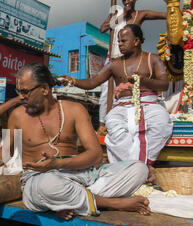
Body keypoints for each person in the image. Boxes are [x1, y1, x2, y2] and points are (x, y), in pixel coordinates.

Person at [9, 62, 151, 221]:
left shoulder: (75, 110)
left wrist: (57, 164)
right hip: (40, 178)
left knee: (139, 169)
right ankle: (112, 203)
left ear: (44, 89)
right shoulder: (17, 115)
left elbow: (95, 155)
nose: (20, 97)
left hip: (81, 175)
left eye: (25, 91)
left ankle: (69, 202)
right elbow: (2, 155)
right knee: (47, 186)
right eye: (18, 91)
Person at [61, 25, 173, 171]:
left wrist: (143, 81)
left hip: (149, 104)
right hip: (122, 107)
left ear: (136, 41)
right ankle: (134, 169)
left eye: (123, 41)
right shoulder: (115, 64)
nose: (119, 44)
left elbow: (164, 84)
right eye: (118, 41)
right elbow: (93, 82)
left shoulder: (153, 59)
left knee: (162, 124)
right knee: (113, 126)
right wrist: (73, 81)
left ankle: (140, 166)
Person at [97, 0, 167, 133]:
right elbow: (103, 29)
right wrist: (120, 17)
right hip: (113, 58)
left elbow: (164, 15)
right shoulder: (116, 12)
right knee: (106, 90)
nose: (127, 1)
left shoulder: (140, 14)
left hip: (132, 60)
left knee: (132, 89)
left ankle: (136, 120)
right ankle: (102, 124)